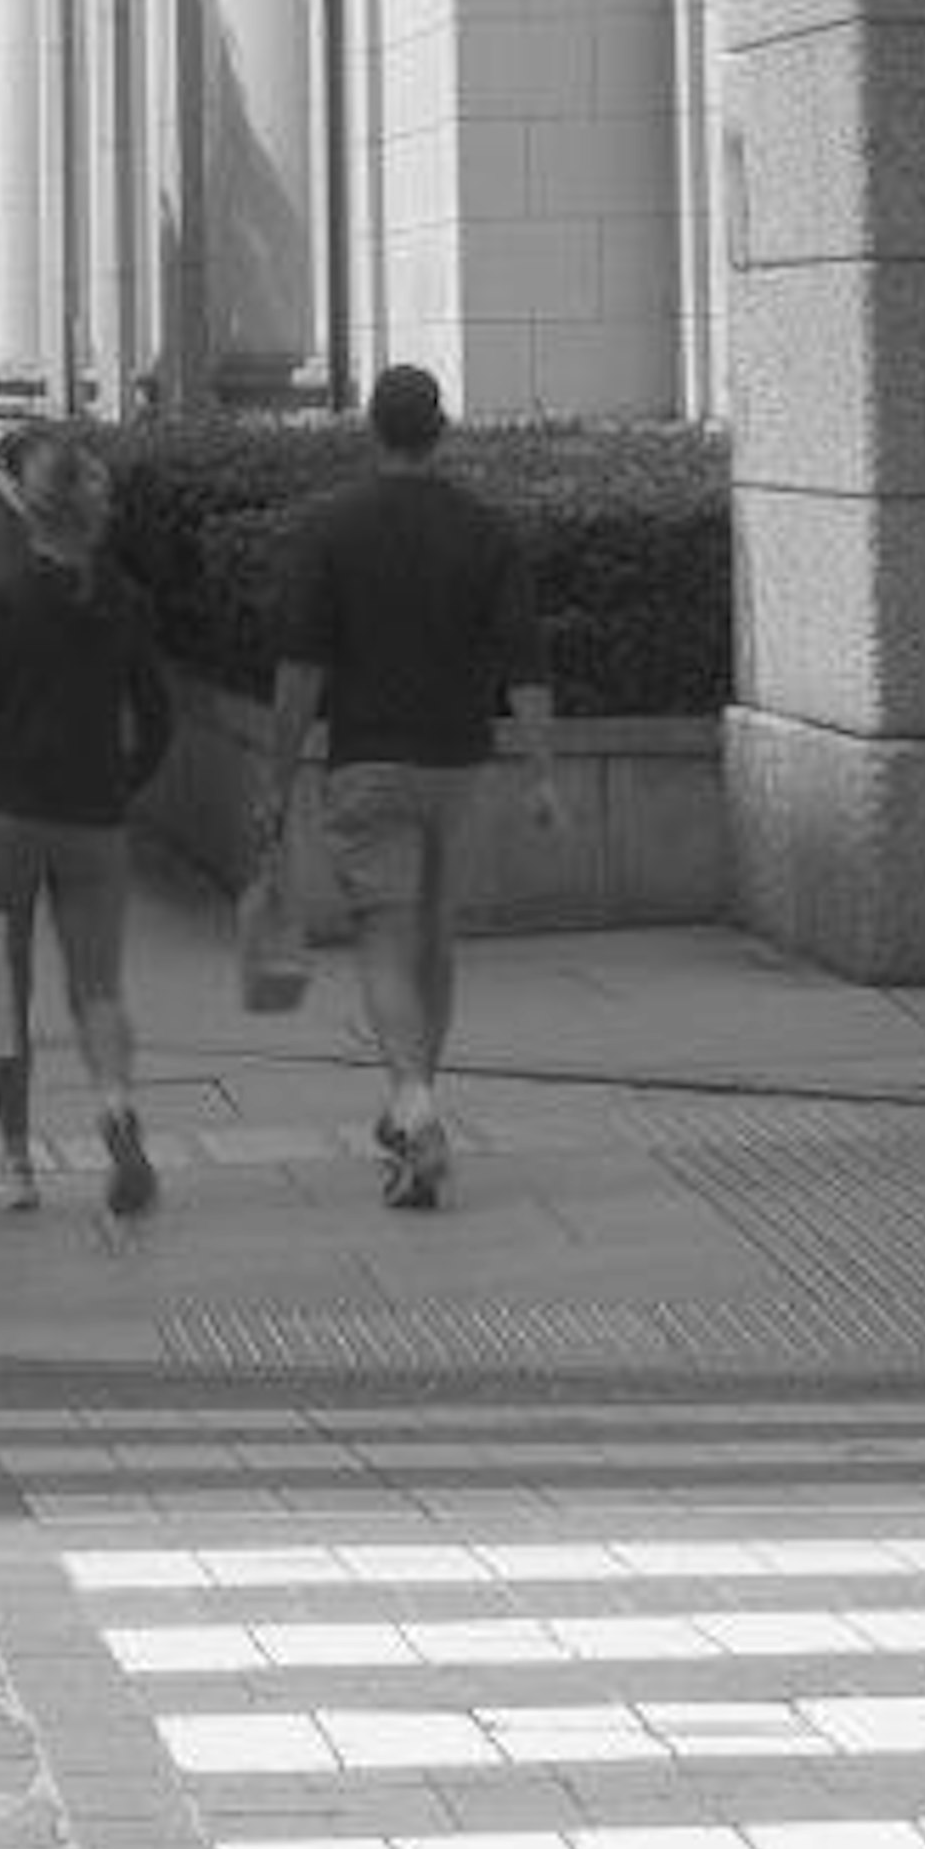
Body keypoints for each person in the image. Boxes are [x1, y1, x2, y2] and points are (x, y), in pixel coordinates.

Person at [256, 362, 566, 1213]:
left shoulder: (331, 529)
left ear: (371, 430)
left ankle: (413, 1101)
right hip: (457, 764)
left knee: (384, 941)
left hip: (367, 765)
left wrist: (277, 779)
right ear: (442, 429)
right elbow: (524, 660)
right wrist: (540, 770)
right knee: (436, 939)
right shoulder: (487, 530)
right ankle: (417, 1104)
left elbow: (301, 667)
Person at [0, 426, 174, 1221]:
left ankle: (16, 1161)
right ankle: (112, 1103)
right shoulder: (125, 601)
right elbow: (159, 719)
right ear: (93, 514)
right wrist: (123, 783)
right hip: (94, 814)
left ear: (29, 512)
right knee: (98, 986)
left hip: (4, 815)